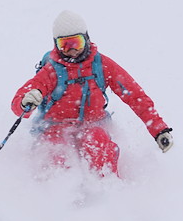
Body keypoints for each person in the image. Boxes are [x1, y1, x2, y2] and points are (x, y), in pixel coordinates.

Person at [11, 10, 173, 177]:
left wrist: (159, 130)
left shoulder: (101, 65)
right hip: (55, 128)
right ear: (56, 46)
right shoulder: (52, 70)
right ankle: (60, 195)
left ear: (86, 39)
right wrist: (25, 102)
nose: (72, 50)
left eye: (77, 43)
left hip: (92, 125)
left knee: (97, 140)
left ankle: (108, 188)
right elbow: (19, 102)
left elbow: (134, 96)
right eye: (65, 45)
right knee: (56, 149)